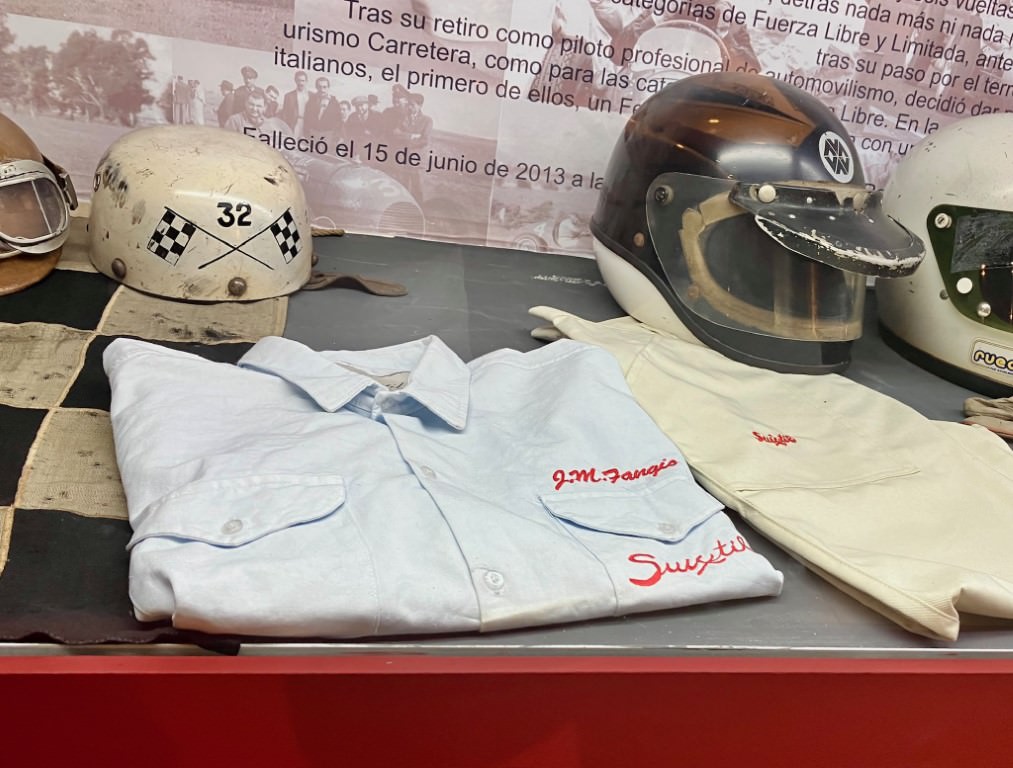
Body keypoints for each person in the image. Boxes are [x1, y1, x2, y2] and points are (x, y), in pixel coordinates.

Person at [390, 92, 431, 200]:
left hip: (417, 161)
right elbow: (395, 134)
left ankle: (419, 208)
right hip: (403, 159)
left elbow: (424, 140)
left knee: (417, 190)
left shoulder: (427, 121)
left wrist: (404, 138)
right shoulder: (403, 118)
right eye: (408, 104)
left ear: (420, 105)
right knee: (402, 188)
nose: (409, 107)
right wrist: (411, 136)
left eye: (412, 105)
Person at [224, 90, 290, 136]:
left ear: (264, 107)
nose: (254, 109)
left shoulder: (268, 123)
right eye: (251, 104)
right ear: (245, 103)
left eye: (259, 106)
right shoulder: (234, 120)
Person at [280, 70, 310, 136]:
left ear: (306, 81)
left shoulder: (312, 96)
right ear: (295, 81)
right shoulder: (289, 96)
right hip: (294, 124)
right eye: (299, 80)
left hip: (308, 125)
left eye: (303, 80)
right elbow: (285, 114)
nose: (301, 83)